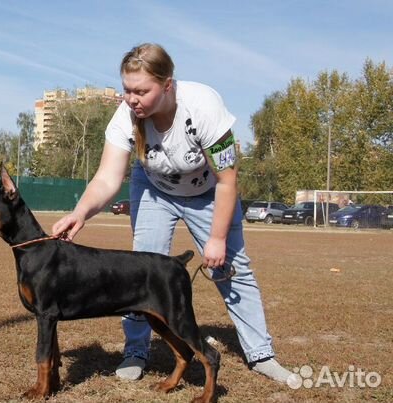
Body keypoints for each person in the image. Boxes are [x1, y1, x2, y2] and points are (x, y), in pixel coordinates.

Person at [51, 43, 292, 384]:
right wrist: (80, 213)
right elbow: (107, 178)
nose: (131, 99)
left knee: (233, 271)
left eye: (141, 91)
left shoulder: (203, 106)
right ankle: (136, 351)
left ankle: (261, 354)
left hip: (209, 193)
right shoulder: (125, 116)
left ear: (167, 85)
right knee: (140, 273)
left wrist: (217, 239)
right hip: (154, 190)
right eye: (126, 90)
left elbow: (227, 179)